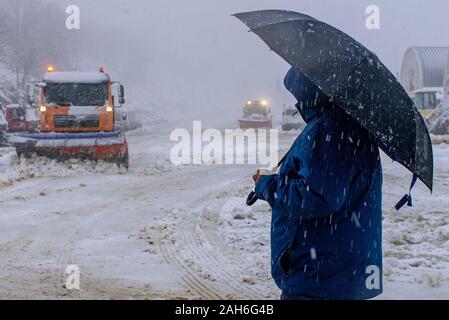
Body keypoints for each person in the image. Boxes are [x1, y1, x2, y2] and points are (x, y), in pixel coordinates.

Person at [252, 67, 383, 300]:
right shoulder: (351, 126)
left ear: (309, 92)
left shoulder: (329, 130)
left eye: (298, 94)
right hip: (341, 268)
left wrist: (267, 185)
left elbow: (315, 197)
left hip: (318, 273)